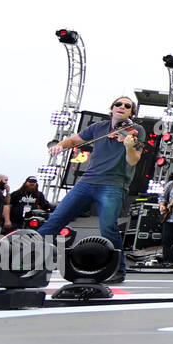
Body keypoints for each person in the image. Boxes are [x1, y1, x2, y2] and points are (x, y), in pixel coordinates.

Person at [42, 96, 144, 282]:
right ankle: (24, 257)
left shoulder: (136, 130)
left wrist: (129, 147)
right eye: (118, 104)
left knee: (107, 228)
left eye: (127, 106)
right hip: (86, 182)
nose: (121, 107)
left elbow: (133, 160)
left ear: (131, 112)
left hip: (113, 184)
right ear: (112, 108)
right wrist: (59, 146)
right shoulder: (99, 128)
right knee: (54, 220)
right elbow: (73, 141)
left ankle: (118, 270)